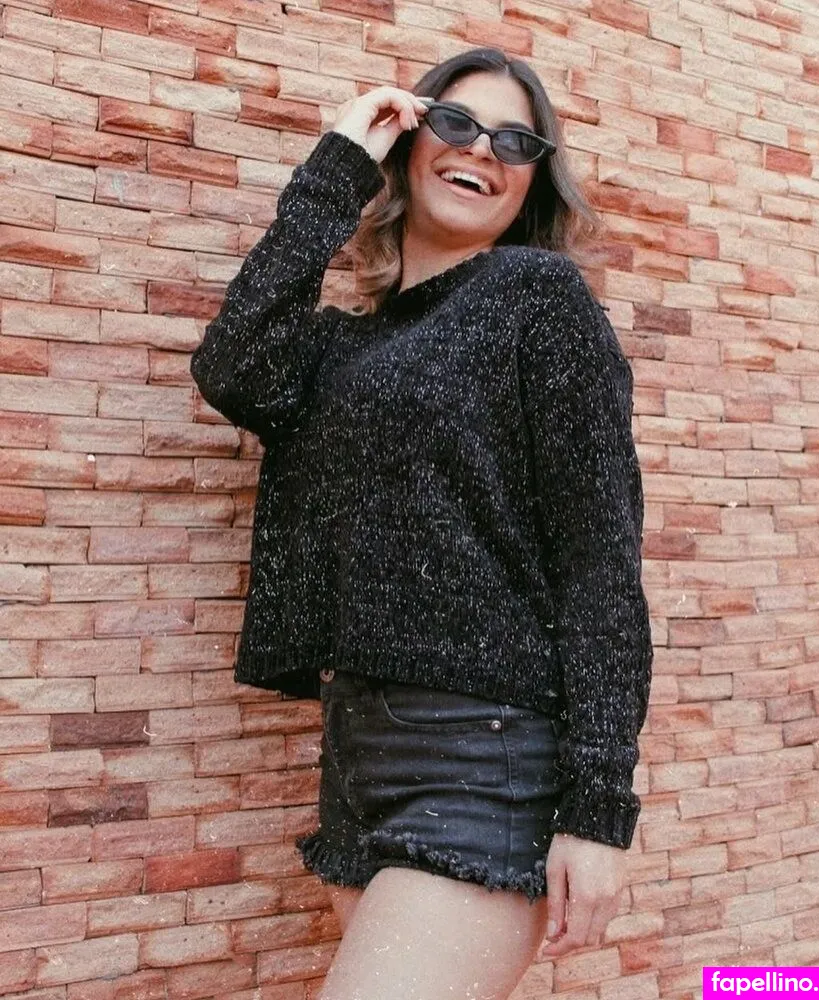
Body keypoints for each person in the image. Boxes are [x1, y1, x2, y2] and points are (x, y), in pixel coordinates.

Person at [190, 46, 653, 1000]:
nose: (481, 148)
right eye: (456, 122)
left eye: (514, 141)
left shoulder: (538, 301)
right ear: (411, 139)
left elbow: (600, 565)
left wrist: (599, 812)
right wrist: (339, 163)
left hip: (486, 759)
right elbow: (234, 367)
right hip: (356, 754)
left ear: (532, 182)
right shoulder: (342, 348)